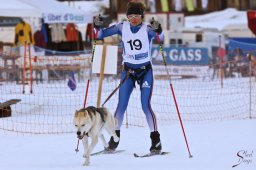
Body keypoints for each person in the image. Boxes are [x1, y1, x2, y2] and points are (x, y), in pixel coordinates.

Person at [93, 1, 163, 153]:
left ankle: (155, 140)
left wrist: (159, 30)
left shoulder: (147, 29)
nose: (133, 19)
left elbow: (160, 39)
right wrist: (97, 26)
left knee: (146, 105)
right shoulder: (121, 27)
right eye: (130, 16)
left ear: (141, 16)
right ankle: (115, 139)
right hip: (129, 72)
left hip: (145, 72)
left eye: (136, 16)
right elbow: (99, 36)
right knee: (121, 106)